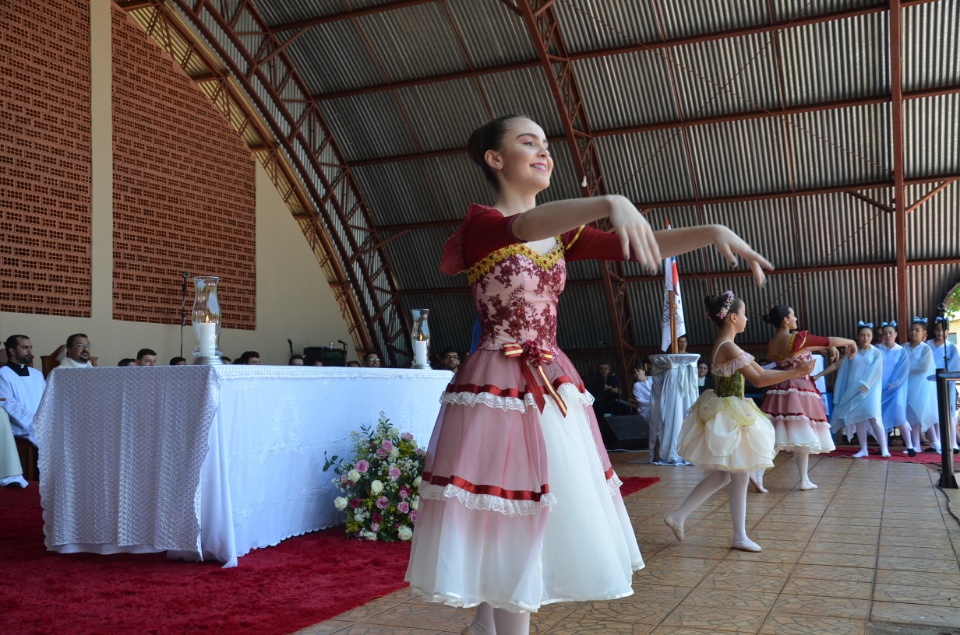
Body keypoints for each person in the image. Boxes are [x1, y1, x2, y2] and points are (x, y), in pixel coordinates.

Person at [404, 114, 774, 635]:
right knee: (505, 510)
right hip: (498, 385)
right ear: (495, 158)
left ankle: (486, 627)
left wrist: (712, 232)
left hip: (552, 381)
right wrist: (608, 201)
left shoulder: (562, 235)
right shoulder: (483, 224)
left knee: (533, 510)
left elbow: (637, 242)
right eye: (527, 143)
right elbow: (524, 226)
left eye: (547, 145)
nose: (544, 152)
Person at [664, 292, 814, 552]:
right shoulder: (728, 346)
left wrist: (794, 370)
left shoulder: (726, 344)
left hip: (729, 411)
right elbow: (759, 379)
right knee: (739, 473)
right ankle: (738, 535)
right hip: (731, 414)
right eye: (744, 314)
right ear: (733, 317)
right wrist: (796, 372)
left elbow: (762, 373)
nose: (746, 318)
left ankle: (681, 516)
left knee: (726, 475)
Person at [757, 305, 855, 492]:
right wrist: (850, 341)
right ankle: (761, 473)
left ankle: (802, 479)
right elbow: (828, 340)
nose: (795, 318)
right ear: (786, 320)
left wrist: (831, 346)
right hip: (799, 389)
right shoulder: (797, 338)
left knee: (794, 434)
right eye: (793, 315)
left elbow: (817, 345)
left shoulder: (773, 343)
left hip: (780, 388)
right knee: (791, 433)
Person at [831, 322, 889, 458]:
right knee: (859, 419)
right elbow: (845, 370)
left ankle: (884, 448)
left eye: (868, 335)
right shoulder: (853, 351)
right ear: (858, 336)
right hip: (854, 389)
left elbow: (877, 370)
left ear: (872, 336)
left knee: (874, 417)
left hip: (871, 389)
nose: (865, 338)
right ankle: (863, 448)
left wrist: (867, 383)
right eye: (862, 335)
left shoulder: (876, 352)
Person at [0, 335, 46, 448]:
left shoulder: (36, 374)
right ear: (12, 351)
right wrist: (33, 422)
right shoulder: (3, 374)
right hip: (19, 427)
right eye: (25, 348)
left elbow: (47, 399)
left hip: (41, 424)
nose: (29, 351)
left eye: (30, 347)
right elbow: (7, 403)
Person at [876, 321, 914, 455]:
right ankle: (884, 447)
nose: (888, 336)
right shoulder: (877, 349)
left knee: (899, 416)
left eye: (890, 333)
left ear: (896, 334)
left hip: (896, 389)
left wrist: (893, 384)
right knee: (881, 417)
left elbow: (903, 370)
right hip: (879, 388)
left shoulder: (901, 351)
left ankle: (910, 446)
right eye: (885, 333)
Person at [905, 318, 940, 452]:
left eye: (917, 330)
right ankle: (916, 445)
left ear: (924, 334)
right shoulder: (905, 347)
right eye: (912, 330)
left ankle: (936, 442)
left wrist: (905, 369)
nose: (913, 332)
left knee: (923, 413)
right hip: (909, 385)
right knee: (912, 414)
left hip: (922, 386)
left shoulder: (925, 349)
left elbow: (924, 368)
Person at [928, 318, 960, 453]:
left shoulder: (951, 347)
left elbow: (954, 366)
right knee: (933, 412)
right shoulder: (928, 345)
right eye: (937, 330)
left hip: (946, 384)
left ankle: (953, 443)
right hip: (929, 383)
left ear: (947, 331)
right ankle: (938, 443)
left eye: (943, 330)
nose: (940, 333)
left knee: (949, 412)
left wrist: (945, 377)